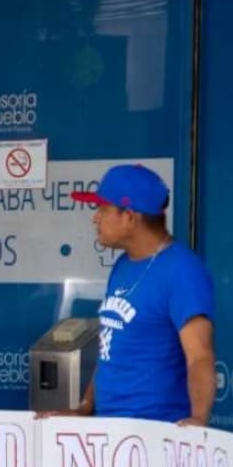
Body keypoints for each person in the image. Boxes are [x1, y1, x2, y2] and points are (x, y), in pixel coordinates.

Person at [50, 164, 215, 425]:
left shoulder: (183, 271)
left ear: (129, 217)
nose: (95, 218)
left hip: (155, 432)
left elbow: (200, 355)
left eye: (102, 209)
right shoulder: (123, 265)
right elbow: (112, 346)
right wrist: (86, 406)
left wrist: (198, 421)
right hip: (111, 431)